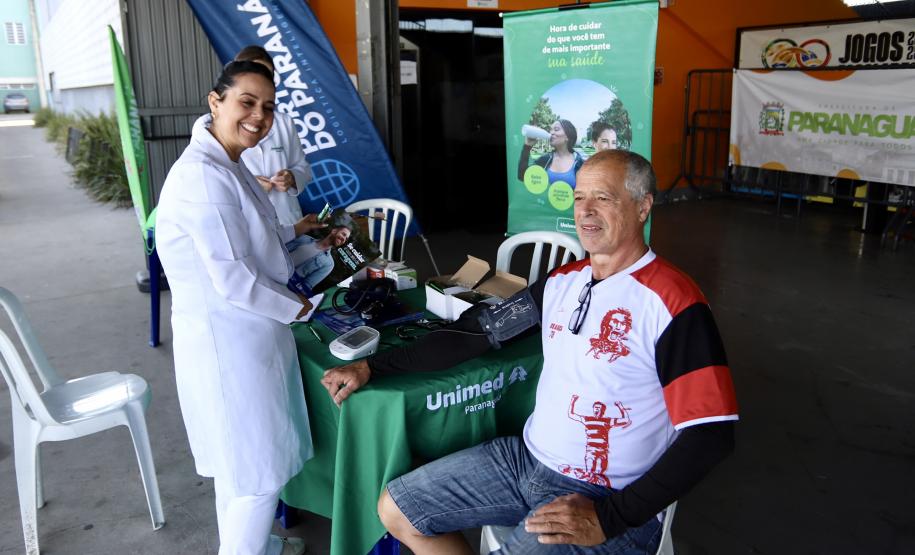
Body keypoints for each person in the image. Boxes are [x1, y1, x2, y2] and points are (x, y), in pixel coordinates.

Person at [321, 150, 738, 554]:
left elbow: (710, 434)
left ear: (643, 206)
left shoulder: (673, 301)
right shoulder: (562, 283)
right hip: (527, 460)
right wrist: (372, 366)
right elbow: (474, 334)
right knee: (397, 509)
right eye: (579, 197)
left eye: (603, 197)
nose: (585, 211)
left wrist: (611, 517)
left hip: (606, 493)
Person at [155, 60, 321, 555]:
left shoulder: (231, 162)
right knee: (257, 479)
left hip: (248, 338)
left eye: (268, 107)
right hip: (230, 346)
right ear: (216, 101)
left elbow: (261, 242)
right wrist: (306, 310)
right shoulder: (203, 176)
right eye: (247, 102)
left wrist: (312, 244)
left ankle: (256, 547)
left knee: (240, 469)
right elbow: (236, 279)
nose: (258, 117)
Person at [233, 45, 313, 253]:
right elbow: (218, 179)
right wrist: (250, 185)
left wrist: (292, 177)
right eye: (254, 71)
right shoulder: (227, 123)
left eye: (267, 74)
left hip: (288, 221)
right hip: (248, 227)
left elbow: (303, 167)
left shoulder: (284, 122)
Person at [289, 216, 354, 292]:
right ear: (334, 231)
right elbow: (280, 248)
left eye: (346, 239)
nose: (344, 239)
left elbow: (307, 285)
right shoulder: (304, 239)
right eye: (343, 234)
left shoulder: (329, 264)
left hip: (285, 283)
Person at [517, 119, 586, 189]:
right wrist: (527, 146)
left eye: (556, 129)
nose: (551, 133)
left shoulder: (580, 163)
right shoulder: (545, 159)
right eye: (551, 130)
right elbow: (522, 176)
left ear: (567, 137)